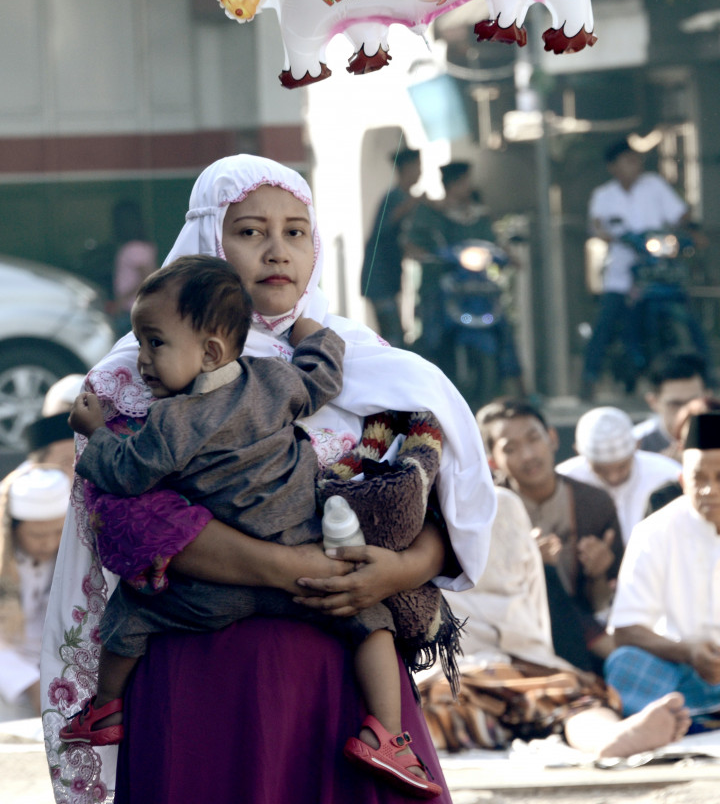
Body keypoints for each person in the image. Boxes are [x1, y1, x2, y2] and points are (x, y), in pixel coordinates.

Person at [41, 153, 497, 804]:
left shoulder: (365, 363)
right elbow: (137, 527)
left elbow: (433, 511)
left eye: (295, 231)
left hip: (346, 682)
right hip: (202, 671)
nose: (276, 250)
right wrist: (300, 572)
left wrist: (394, 573)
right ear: (208, 241)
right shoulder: (135, 380)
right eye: (250, 231)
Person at [60, 255, 439, 797]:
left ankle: (102, 709)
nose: (143, 360)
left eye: (155, 344)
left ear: (210, 350)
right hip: (315, 578)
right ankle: (388, 735)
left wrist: (97, 433)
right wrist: (318, 334)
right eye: (141, 343)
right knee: (371, 621)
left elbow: (124, 471)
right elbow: (321, 378)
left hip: (219, 598)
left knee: (135, 612)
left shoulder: (171, 420)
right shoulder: (273, 380)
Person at [419, 487, 691, 758]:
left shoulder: (422, 543)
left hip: (450, 683)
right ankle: (605, 736)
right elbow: (534, 634)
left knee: (443, 708)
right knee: (574, 701)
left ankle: (597, 736)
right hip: (520, 676)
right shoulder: (503, 508)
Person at [477, 398, 623, 671]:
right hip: (514, 639)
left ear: (552, 438)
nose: (529, 455)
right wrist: (528, 564)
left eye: (534, 439)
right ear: (493, 461)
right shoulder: (487, 513)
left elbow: (604, 604)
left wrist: (599, 574)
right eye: (511, 448)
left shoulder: (594, 503)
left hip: (586, 633)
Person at [605, 411, 720, 719]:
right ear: (683, 481)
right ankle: (683, 718)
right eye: (699, 479)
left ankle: (688, 720)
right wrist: (689, 653)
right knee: (624, 664)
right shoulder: (654, 531)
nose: (710, 489)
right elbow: (626, 629)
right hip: (681, 672)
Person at [580, 139, 698, 399]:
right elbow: (598, 226)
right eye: (628, 160)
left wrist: (686, 229)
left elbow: (680, 215)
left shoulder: (654, 185)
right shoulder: (604, 195)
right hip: (622, 272)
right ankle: (589, 378)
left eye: (636, 159)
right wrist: (610, 236)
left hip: (657, 270)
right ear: (613, 166)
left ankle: (704, 376)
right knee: (606, 323)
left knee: (687, 316)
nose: (636, 164)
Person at [407, 162, 522, 389]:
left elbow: (495, 243)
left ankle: (519, 386)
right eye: (465, 182)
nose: (469, 186)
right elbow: (411, 246)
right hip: (441, 288)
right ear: (453, 184)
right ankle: (424, 386)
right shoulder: (431, 213)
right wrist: (428, 255)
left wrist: (511, 256)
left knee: (504, 329)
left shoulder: (478, 215)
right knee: (432, 336)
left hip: (477, 290)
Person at [0, 467, 71, 722]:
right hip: (9, 679)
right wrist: (30, 682)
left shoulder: (72, 555)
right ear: (13, 528)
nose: (49, 543)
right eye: (37, 535)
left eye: (57, 532)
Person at [556, 406, 681, 543]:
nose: (613, 477)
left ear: (637, 446)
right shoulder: (564, 480)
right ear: (578, 452)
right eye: (601, 469)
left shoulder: (667, 474)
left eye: (622, 467)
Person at [360, 148, 423, 349]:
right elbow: (385, 228)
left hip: (389, 278)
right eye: (417, 167)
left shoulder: (403, 198)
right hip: (379, 279)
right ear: (406, 168)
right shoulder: (395, 198)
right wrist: (414, 203)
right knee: (393, 337)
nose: (420, 172)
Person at [633, 350, 710, 454]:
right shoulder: (635, 445)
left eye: (693, 402)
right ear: (653, 402)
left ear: (708, 397)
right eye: (675, 404)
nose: (685, 412)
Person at [109, 199, 158, 338]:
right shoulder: (141, 245)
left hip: (131, 309)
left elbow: (148, 277)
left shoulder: (134, 248)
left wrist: (120, 301)